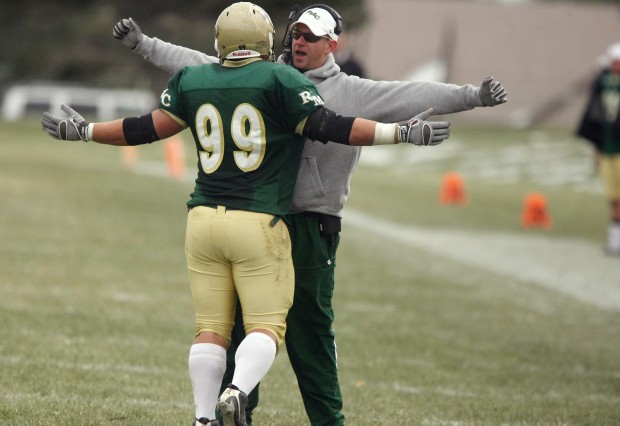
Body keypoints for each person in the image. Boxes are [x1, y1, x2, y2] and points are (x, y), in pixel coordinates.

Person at [42, 4, 450, 426]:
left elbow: (144, 128)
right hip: (258, 221)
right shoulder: (282, 79)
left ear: (220, 42)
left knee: (213, 329)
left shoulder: (195, 79)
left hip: (201, 221)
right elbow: (333, 126)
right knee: (267, 328)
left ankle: (204, 418)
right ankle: (237, 392)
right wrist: (400, 132)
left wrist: (86, 130)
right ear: (267, 41)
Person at [577, 42, 620, 256]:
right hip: (608, 148)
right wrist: (596, 147)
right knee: (613, 197)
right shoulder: (605, 83)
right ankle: (615, 242)